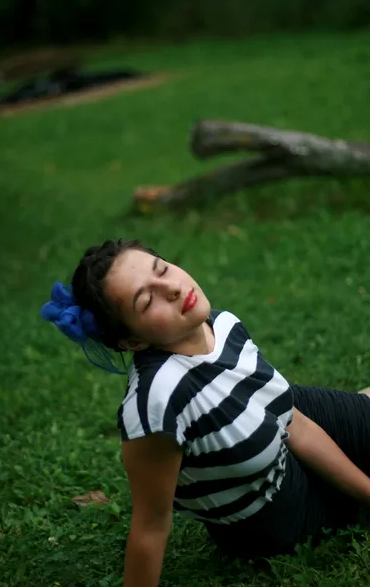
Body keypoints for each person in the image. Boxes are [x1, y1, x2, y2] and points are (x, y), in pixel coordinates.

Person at [41, 238, 370, 587]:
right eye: (147, 300)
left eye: (162, 270)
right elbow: (150, 526)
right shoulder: (157, 403)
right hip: (277, 512)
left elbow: (294, 423)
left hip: (274, 429)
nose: (171, 288)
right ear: (134, 342)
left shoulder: (222, 325)